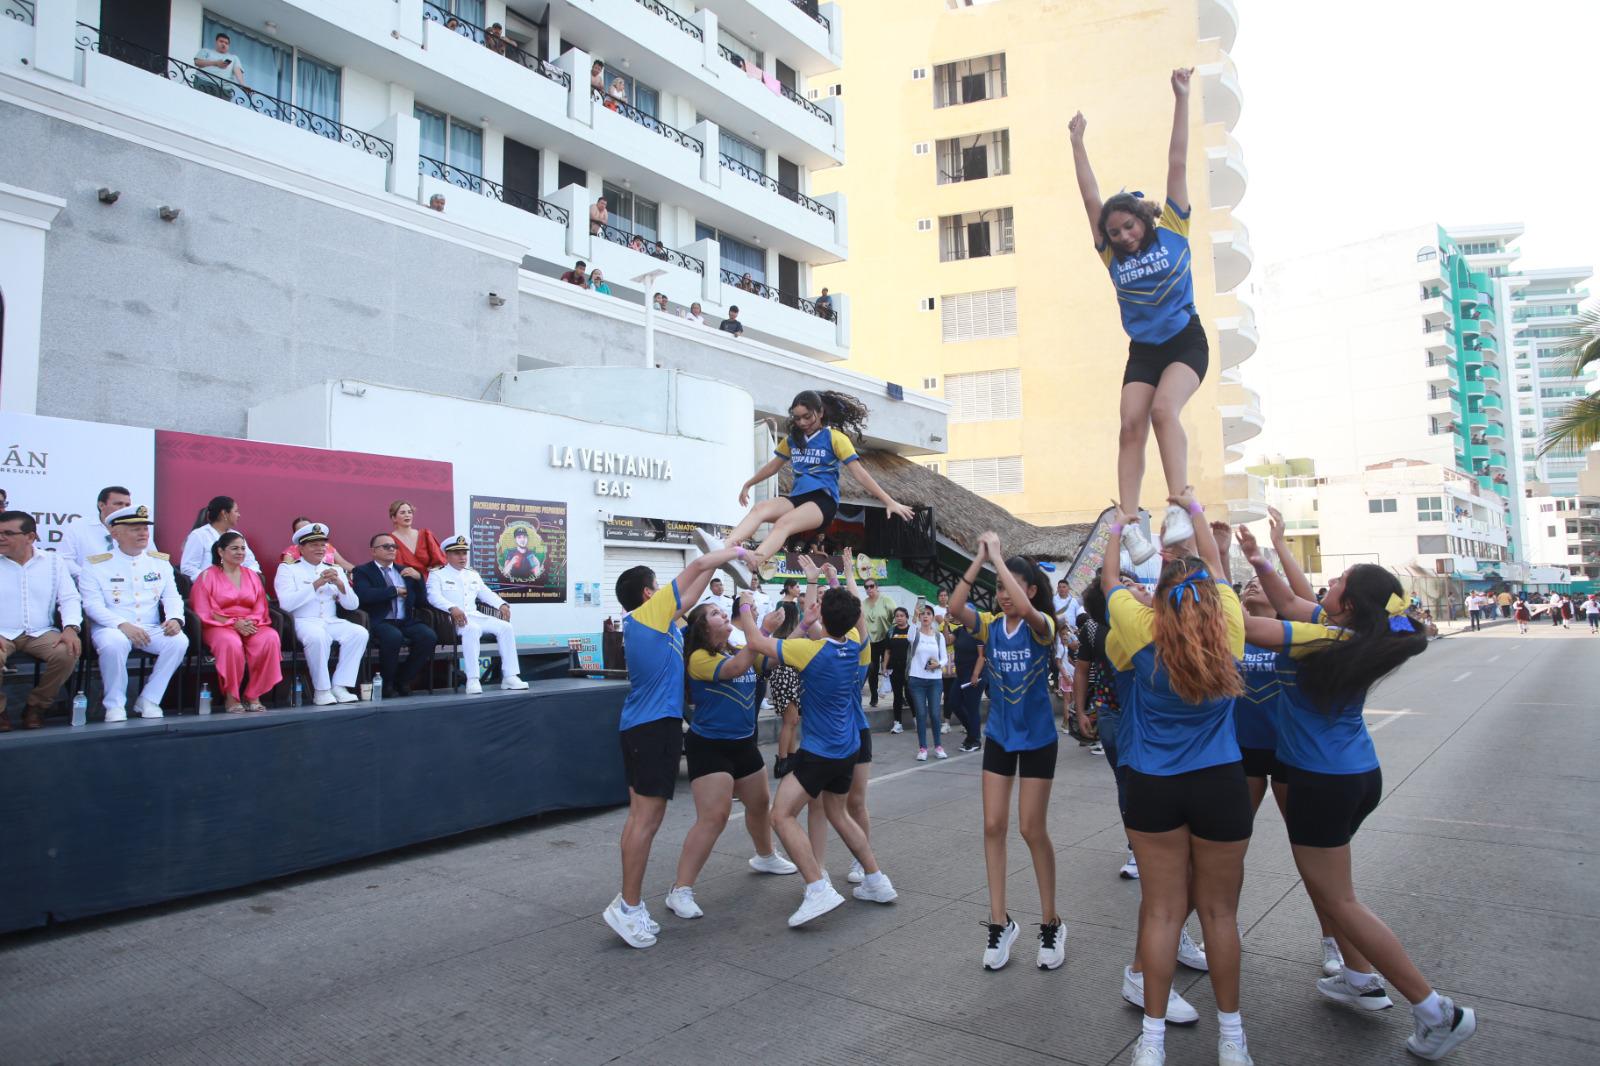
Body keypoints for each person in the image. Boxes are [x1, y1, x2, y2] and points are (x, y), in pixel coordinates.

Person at [1239, 541, 1478, 1061]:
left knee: (1340, 900)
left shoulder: (1316, 640)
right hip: (1354, 776)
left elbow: (1246, 627)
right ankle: (1355, 976)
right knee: (1328, 890)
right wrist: (1260, 561)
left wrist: (1197, 583)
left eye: (1341, 579)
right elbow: (1288, 605)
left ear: (1347, 603)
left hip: (1321, 784)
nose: (1332, 584)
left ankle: (1436, 1009)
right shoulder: (1352, 634)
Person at [1102, 490, 1251, 1066]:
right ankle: (1233, 1040)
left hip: (1153, 786)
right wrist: (1191, 509)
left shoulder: (1142, 631)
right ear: (1214, 600)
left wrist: (1119, 527)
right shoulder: (1231, 626)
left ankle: (1153, 1042)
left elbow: (1111, 575)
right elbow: (1214, 565)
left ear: (1160, 600)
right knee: (1220, 915)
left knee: (1163, 912)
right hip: (1220, 782)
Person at [1069, 69, 1204, 567]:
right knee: (1129, 424)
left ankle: (1180, 506)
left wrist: (1181, 97)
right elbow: (1089, 196)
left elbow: (1177, 158)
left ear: (1143, 220)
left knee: (1164, 411)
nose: (1123, 236)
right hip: (1144, 349)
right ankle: (1129, 525)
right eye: (1115, 231)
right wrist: (1078, 144)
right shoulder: (1112, 255)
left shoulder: (1174, 226)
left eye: (1128, 226)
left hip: (1186, 342)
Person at [601, 543, 750, 948]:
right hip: (652, 728)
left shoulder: (663, 626)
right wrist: (734, 548)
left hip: (647, 727)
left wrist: (721, 558)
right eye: (659, 585)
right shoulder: (648, 617)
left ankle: (627, 902)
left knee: (641, 819)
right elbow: (700, 565)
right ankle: (628, 906)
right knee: (646, 821)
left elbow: (698, 582)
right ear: (650, 594)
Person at [734, 585, 898, 928]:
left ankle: (817, 886)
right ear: (855, 620)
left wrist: (747, 607)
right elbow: (849, 625)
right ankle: (877, 881)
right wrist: (811, 618)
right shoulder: (856, 646)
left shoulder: (810, 651)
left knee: (780, 816)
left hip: (821, 752)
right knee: (839, 814)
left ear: (823, 616)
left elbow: (757, 643)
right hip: (848, 748)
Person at [947, 532, 1065, 971]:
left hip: (1037, 739)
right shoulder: (991, 627)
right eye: (998, 588)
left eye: (1010, 586)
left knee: (1031, 829)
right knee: (993, 825)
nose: (1002, 595)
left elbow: (1032, 612)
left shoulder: (1042, 627)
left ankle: (1051, 921)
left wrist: (999, 556)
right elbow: (955, 609)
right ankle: (1000, 922)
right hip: (999, 736)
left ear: (1029, 590)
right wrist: (980, 561)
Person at [663, 596, 799, 921]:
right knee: (714, 817)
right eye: (714, 613)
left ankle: (765, 856)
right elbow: (738, 668)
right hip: (710, 746)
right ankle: (680, 890)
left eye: (724, 611)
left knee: (759, 805)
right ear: (701, 627)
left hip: (743, 743)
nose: (723, 614)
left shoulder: (735, 650)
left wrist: (804, 623)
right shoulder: (698, 658)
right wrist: (760, 628)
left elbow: (771, 658)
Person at [697, 390, 915, 589]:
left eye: (807, 417)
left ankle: (753, 562)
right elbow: (773, 466)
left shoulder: (835, 439)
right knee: (760, 508)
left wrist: (889, 501)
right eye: (797, 418)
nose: (802, 422)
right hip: (797, 498)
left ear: (820, 413)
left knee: (784, 524)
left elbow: (860, 474)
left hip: (824, 501)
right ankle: (723, 549)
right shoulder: (793, 440)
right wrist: (749, 483)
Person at [78, 505, 187, 722]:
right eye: (135, 529)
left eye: (145, 529)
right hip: (113, 627)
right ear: (115, 533)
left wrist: (175, 618)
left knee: (178, 641)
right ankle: (115, 704)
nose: (143, 533)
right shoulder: (96, 565)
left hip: (150, 627)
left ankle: (149, 698)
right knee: (114, 644)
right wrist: (121, 624)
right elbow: (92, 606)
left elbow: (172, 596)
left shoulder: (159, 562)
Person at [1074, 580, 1145, 882]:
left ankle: (1154, 844)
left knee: (1148, 780)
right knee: (1125, 781)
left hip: (1146, 713)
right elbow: (1081, 668)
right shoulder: (1092, 628)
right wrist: (1079, 710)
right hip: (1111, 711)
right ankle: (1137, 848)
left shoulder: (1147, 619)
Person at [0, 510, 82, 730]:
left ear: (30, 537)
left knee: (68, 651)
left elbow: (69, 598)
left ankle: (36, 706)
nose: (1, 538)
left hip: (40, 632)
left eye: (8, 533)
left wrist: (71, 628)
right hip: (2, 633)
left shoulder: (53, 562)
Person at [274, 523, 367, 707]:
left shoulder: (336, 569)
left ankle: (340, 686)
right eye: (314, 545)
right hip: (303, 621)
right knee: (318, 637)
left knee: (359, 633)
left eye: (322, 544)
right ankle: (322, 690)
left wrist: (341, 585)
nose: (320, 549)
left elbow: (352, 605)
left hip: (331, 620)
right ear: (300, 548)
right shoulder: (288, 569)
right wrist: (316, 584)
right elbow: (286, 604)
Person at [190, 530, 281, 713]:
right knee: (229, 643)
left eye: (242, 548)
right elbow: (204, 609)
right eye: (234, 548)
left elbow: (261, 605)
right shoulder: (207, 576)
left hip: (251, 623)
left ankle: (253, 695)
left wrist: (249, 622)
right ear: (221, 552)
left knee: (269, 638)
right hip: (218, 625)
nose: (240, 552)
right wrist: (233, 623)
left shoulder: (252, 575)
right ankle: (232, 697)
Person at [427, 535, 528, 695]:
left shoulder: (471, 574)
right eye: (457, 553)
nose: (462, 557)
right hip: (450, 620)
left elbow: (485, 592)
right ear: (447, 555)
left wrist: (501, 604)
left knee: (506, 627)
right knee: (471, 629)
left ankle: (510, 676)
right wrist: (451, 607)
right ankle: (473, 679)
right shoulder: (437, 574)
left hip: (474, 615)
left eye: (464, 553)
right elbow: (433, 597)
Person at [353, 534, 439, 697]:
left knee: (428, 636)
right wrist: (394, 591)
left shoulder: (404, 571)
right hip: (379, 620)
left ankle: (403, 679)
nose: (391, 549)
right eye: (386, 546)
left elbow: (421, 601)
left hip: (404, 620)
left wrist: (419, 579)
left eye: (394, 546)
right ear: (373, 551)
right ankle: (387, 684)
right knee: (393, 636)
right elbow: (364, 595)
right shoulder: (363, 571)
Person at [60, 485, 146, 577]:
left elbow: (148, 558)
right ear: (101, 505)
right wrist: (88, 577)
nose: (124, 508)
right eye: (118, 504)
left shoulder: (138, 528)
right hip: (86, 586)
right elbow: (65, 559)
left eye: (127, 505)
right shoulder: (78, 527)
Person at [180, 495, 260, 580]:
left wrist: (246, 577)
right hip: (210, 588)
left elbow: (251, 563)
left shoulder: (236, 535)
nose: (239, 515)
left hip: (239, 585)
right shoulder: (199, 535)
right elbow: (187, 568)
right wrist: (214, 579)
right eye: (236, 511)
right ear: (224, 513)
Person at [906, 604, 948, 760]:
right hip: (916, 680)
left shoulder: (939, 636)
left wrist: (939, 665)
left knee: (935, 714)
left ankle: (938, 746)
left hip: (935, 680)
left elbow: (944, 657)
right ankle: (923, 748)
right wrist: (914, 616)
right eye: (923, 614)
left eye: (928, 614)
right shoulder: (915, 633)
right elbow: (909, 637)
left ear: (933, 617)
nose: (925, 616)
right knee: (921, 714)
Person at [860, 577, 897, 714]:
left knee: (891, 667)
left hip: (886, 639)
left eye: (871, 586)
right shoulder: (863, 604)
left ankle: (899, 695)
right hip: (870, 641)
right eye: (866, 587)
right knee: (872, 669)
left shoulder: (887, 601)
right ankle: (874, 696)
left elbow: (896, 617)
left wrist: (893, 636)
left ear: (877, 587)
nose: (869, 589)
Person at [388, 499, 447, 576]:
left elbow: (439, 563)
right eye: (402, 513)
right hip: (403, 583)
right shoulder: (389, 540)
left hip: (427, 583)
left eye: (410, 512)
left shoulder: (425, 535)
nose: (407, 515)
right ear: (394, 518)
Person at [281, 517, 354, 574]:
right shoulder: (290, 551)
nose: (306, 532)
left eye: (307, 528)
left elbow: (342, 563)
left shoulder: (327, 546)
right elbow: (288, 570)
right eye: (301, 530)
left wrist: (360, 572)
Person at [884, 606, 911, 730]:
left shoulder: (912, 631)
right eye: (897, 616)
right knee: (897, 696)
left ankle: (916, 720)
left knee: (910, 695)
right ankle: (897, 723)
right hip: (895, 668)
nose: (899, 618)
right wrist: (884, 667)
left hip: (909, 669)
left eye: (902, 616)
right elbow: (887, 651)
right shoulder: (891, 631)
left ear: (907, 617)